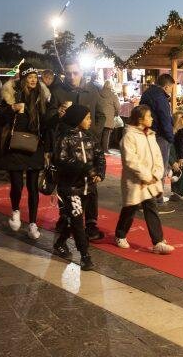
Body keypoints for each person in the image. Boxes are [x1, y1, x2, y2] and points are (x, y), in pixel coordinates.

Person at [49, 60, 106, 239]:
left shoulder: (92, 90)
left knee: (91, 187)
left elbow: (101, 114)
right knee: (67, 187)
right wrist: (58, 115)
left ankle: (91, 224)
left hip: (88, 146)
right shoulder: (58, 92)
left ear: (81, 72)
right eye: (68, 73)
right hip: (68, 147)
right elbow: (49, 118)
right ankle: (65, 219)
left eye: (75, 73)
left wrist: (94, 133)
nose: (72, 77)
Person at [0, 63, 51, 240]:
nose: (33, 80)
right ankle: (15, 211)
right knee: (17, 184)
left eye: (35, 77)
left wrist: (48, 147)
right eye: (30, 77)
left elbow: (46, 123)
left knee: (33, 187)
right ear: (23, 78)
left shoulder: (42, 96)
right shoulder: (12, 94)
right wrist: (12, 109)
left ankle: (33, 223)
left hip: (35, 144)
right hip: (16, 145)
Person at [114, 105, 174, 254]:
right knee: (130, 208)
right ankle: (120, 234)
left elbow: (158, 156)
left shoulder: (151, 135)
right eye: (149, 116)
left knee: (151, 207)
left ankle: (158, 241)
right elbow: (130, 160)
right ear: (140, 119)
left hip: (150, 181)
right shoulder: (129, 136)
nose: (152, 119)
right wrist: (146, 175)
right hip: (135, 180)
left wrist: (156, 174)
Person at [53, 104, 106, 271]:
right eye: (87, 118)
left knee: (72, 220)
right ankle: (85, 256)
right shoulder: (64, 138)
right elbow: (61, 160)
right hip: (71, 188)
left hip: (87, 187)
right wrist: (84, 168)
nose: (90, 121)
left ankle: (60, 243)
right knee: (77, 220)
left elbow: (100, 156)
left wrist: (100, 172)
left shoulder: (90, 137)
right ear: (78, 119)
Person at [139, 74, 175, 202]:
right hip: (159, 135)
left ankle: (148, 196)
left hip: (146, 133)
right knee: (160, 167)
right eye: (171, 88)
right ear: (166, 87)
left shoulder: (147, 93)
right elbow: (165, 120)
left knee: (149, 165)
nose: (171, 91)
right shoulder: (161, 98)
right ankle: (158, 197)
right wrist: (170, 138)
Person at [99, 80, 121, 154]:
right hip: (109, 116)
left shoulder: (99, 92)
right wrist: (117, 113)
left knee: (100, 133)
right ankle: (105, 149)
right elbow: (118, 106)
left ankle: (99, 148)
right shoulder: (113, 94)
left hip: (100, 115)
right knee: (107, 133)